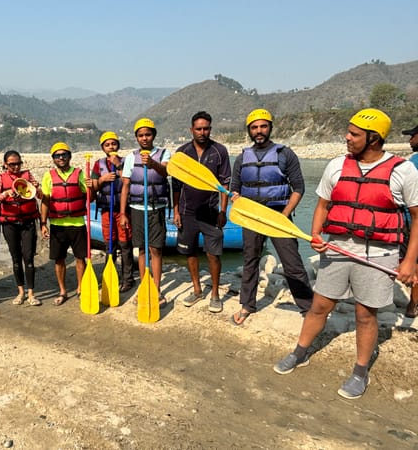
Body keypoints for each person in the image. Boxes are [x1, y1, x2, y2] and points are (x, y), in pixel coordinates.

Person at [273, 108, 418, 399]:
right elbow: (323, 206)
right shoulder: (337, 165)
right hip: (337, 250)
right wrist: (315, 234)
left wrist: (410, 261)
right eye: (348, 132)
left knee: (365, 315)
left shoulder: (403, 171)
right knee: (319, 307)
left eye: (354, 134)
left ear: (374, 138)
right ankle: (300, 351)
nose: (346, 137)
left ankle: (360, 371)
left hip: (378, 255)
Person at [230, 108, 313, 325]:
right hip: (252, 215)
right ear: (249, 130)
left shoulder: (285, 154)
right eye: (254, 127)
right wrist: (235, 198)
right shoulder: (241, 158)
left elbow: (299, 187)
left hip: (278, 214)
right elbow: (235, 188)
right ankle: (247, 305)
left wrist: (284, 215)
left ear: (270, 128)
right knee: (250, 260)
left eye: (263, 126)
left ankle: (308, 308)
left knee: (292, 262)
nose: (259, 131)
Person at [172, 111, 231, 312]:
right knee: (190, 252)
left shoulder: (219, 151)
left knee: (213, 254)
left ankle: (214, 294)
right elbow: (176, 185)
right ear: (191, 130)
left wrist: (223, 211)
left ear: (210, 129)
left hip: (210, 211)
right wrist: (176, 210)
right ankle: (197, 290)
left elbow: (225, 184)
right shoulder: (182, 153)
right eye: (198, 128)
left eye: (206, 128)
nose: (202, 132)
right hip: (187, 212)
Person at [120, 118, 171, 307]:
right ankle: (144, 287)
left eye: (148, 134)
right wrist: (123, 213)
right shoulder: (131, 157)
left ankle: (156, 290)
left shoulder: (164, 154)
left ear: (154, 135)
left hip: (156, 209)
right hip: (136, 209)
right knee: (141, 249)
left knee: (156, 249)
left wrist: (152, 164)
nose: (144, 138)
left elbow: (165, 173)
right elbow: (126, 186)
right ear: (136, 137)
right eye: (141, 135)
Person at [39, 142, 88, 306]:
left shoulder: (80, 174)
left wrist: (93, 185)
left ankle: (81, 288)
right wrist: (43, 223)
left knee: (81, 258)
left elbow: (89, 195)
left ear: (70, 156)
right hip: (58, 225)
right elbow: (45, 201)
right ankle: (63, 291)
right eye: (57, 155)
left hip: (78, 224)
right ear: (53, 159)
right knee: (59, 259)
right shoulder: (48, 176)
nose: (61, 158)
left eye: (64, 154)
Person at [86, 131, 135, 292]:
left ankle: (128, 279)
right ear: (102, 148)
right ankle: (110, 275)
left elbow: (131, 181)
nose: (111, 147)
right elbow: (93, 187)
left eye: (113, 144)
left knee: (125, 243)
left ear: (118, 145)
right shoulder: (98, 164)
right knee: (110, 243)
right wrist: (102, 179)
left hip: (123, 209)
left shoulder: (126, 161)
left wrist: (118, 165)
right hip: (107, 209)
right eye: (107, 145)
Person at [0, 150, 42, 306]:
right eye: (12, 164)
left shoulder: (28, 175)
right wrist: (6, 193)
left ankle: (31, 293)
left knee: (28, 257)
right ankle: (20, 292)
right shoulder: (0, 178)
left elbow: (39, 196)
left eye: (18, 163)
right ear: (5, 164)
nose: (15, 167)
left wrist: (37, 188)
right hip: (9, 223)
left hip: (27, 222)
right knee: (16, 258)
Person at [402, 123, 418, 318]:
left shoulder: (413, 162)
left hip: (412, 221)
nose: (409, 140)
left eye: (412, 136)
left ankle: (413, 304)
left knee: (414, 262)